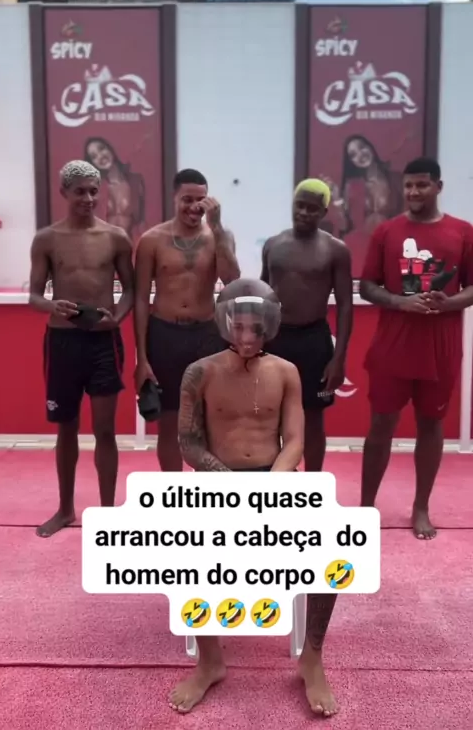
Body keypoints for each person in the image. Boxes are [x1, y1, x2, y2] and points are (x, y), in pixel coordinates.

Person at [169, 278, 338, 717]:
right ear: (225, 323)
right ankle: (210, 661)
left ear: (270, 327)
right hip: (216, 482)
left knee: (331, 549)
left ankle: (312, 658)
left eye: (256, 329)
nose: (247, 337)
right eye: (239, 326)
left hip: (274, 479)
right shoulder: (199, 372)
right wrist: (230, 485)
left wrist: (269, 487)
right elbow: (189, 445)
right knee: (185, 553)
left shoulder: (286, 371)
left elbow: (295, 440)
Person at [359, 158, 473, 539]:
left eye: (422, 185)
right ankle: (366, 506)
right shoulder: (386, 231)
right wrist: (400, 302)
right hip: (393, 346)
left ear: (438, 186)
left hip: (440, 348)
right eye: (408, 185)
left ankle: (421, 506)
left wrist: (450, 302)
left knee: (430, 425)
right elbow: (367, 286)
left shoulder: (463, 232)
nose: (413, 192)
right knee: (381, 424)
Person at [28, 160, 134, 538]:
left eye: (93, 191)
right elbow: (34, 296)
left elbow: (131, 290)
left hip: (102, 342)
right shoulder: (47, 239)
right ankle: (65, 509)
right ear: (64, 193)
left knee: (105, 429)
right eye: (80, 192)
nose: (88, 198)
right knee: (66, 427)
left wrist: (116, 318)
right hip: (62, 342)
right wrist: (51, 305)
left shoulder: (116, 237)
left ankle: (106, 513)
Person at [134, 168, 240, 471]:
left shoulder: (219, 237)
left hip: (206, 335)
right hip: (165, 335)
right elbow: (140, 299)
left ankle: (203, 491)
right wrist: (142, 358)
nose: (194, 207)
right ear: (174, 198)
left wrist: (217, 228)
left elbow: (231, 280)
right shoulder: (152, 240)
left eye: (200, 200)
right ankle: (173, 490)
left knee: (206, 421)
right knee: (168, 423)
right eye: (187, 199)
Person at [261, 179, 353, 471]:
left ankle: (314, 481)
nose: (303, 212)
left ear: (324, 212)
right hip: (276, 339)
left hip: (314, 341)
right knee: (272, 416)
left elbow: (345, 305)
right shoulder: (273, 244)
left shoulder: (336, 250)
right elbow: (263, 293)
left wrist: (339, 359)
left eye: (312, 208)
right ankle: (280, 479)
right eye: (299, 205)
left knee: (313, 418)